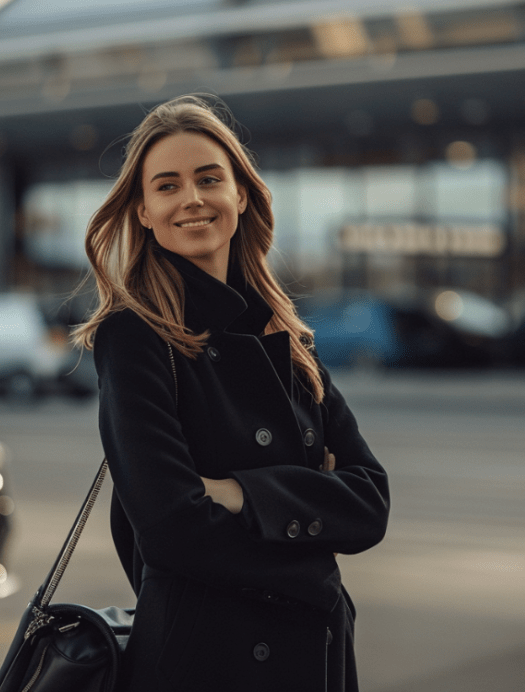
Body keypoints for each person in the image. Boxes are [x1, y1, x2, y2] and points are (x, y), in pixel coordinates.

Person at [73, 94, 390, 692]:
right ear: (143, 211)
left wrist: (241, 493)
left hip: (314, 660)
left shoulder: (288, 336)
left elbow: (370, 502)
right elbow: (171, 530)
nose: (191, 199)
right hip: (207, 660)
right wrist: (313, 541)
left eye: (208, 179)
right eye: (166, 186)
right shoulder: (135, 337)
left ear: (240, 195)